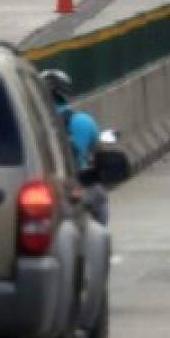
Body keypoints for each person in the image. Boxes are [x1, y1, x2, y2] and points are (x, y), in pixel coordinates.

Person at [41, 69, 107, 223]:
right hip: (77, 186)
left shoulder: (32, 123)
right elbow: (98, 154)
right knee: (99, 197)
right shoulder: (84, 121)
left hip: (43, 189)